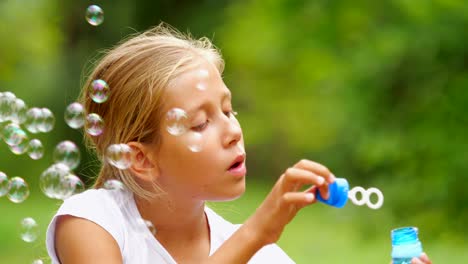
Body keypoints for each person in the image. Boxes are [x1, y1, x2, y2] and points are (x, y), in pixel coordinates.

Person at [46, 23, 432, 264]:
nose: (232, 131)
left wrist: (255, 240)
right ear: (142, 159)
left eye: (229, 111)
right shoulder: (93, 222)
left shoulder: (259, 255)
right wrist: (256, 232)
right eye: (200, 123)